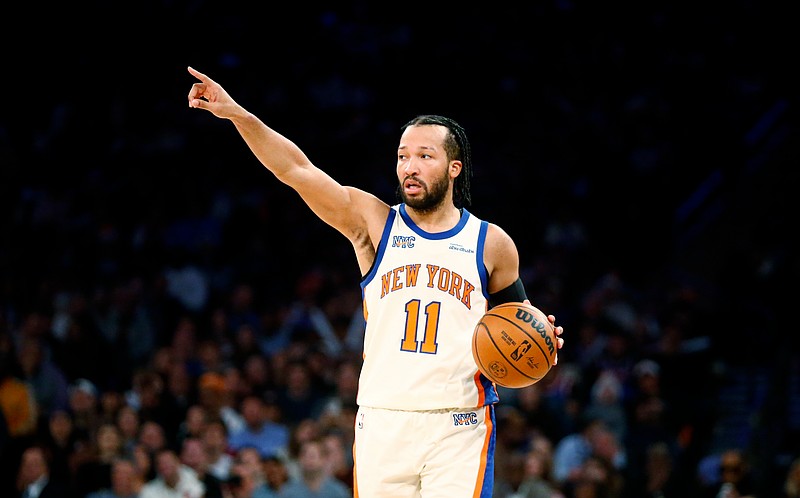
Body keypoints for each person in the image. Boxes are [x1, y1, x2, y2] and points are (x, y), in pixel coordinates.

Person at [187, 66, 565, 497]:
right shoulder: (373, 222)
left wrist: (542, 337)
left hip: (460, 422)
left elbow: (518, 323)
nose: (410, 166)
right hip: (383, 419)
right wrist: (238, 115)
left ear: (454, 167)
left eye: (425, 155)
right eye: (403, 155)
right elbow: (295, 170)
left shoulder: (491, 243)